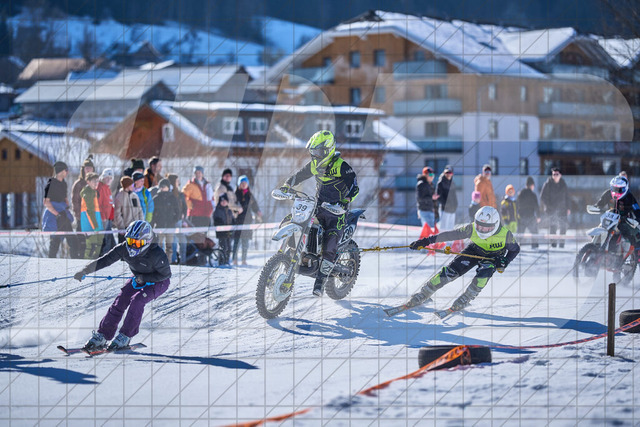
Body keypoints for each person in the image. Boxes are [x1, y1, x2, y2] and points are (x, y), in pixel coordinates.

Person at [279, 130, 359, 296]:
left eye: (318, 151)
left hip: (336, 210)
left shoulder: (341, 166)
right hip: (318, 205)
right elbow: (299, 175)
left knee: (331, 240)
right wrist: (287, 185)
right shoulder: (314, 165)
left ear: (328, 150)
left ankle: (320, 282)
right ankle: (290, 255)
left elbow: (354, 186)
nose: (315, 155)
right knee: (293, 219)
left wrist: (346, 200)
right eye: (313, 151)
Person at [74, 220, 171, 351]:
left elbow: (166, 274)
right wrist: (85, 270)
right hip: (138, 278)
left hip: (158, 281)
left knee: (137, 301)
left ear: (147, 241)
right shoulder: (124, 248)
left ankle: (125, 336)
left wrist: (144, 278)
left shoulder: (156, 254)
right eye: (131, 241)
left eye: (138, 243)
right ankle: (103, 335)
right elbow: (105, 260)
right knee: (120, 301)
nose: (133, 246)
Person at [407, 206, 520, 312]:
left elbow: (515, 250)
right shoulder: (471, 228)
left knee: (484, 273)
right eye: (479, 225)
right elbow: (450, 235)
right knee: (450, 272)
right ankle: (425, 293)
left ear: (495, 224)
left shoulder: (505, 235)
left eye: (486, 227)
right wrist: (426, 241)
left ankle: (467, 297)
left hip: (493, 257)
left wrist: (505, 260)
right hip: (474, 250)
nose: (481, 229)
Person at [592, 175, 640, 260]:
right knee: (597, 231)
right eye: (614, 188)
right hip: (609, 218)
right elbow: (599, 204)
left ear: (625, 188)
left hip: (624, 221)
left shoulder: (629, 197)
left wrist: (637, 219)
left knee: (634, 238)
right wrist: (596, 207)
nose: (616, 191)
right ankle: (592, 249)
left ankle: (633, 258)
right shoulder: (608, 193)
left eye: (619, 189)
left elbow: (637, 210)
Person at [42, 161, 78, 258]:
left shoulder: (64, 184)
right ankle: (50, 263)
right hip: (54, 215)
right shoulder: (51, 183)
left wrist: (67, 207)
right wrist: (57, 214)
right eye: (66, 170)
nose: (67, 172)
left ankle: (76, 261)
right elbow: (46, 202)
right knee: (55, 242)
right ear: (61, 171)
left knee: (72, 240)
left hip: (63, 213)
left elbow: (65, 198)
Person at [233, 175, 263, 265]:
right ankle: (234, 260)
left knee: (245, 241)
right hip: (238, 220)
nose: (243, 184)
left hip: (247, 220)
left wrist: (258, 211)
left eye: (245, 183)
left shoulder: (250, 195)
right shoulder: (235, 194)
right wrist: (236, 211)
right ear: (239, 184)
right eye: (242, 183)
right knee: (237, 242)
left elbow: (254, 206)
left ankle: (244, 260)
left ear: (247, 184)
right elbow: (232, 206)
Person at [540, 167, 571, 248]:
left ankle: (562, 244)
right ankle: (553, 244)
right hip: (551, 209)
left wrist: (568, 208)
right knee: (553, 226)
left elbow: (567, 196)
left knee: (563, 226)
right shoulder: (548, 184)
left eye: (556, 174)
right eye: (553, 174)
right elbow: (543, 196)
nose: (555, 176)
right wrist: (549, 206)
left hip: (562, 209)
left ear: (560, 175)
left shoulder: (563, 184)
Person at [152, 178, 181, 263]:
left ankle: (168, 262)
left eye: (164, 186)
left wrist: (174, 221)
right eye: (161, 186)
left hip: (170, 226)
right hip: (159, 226)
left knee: (169, 247)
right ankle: (159, 263)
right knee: (159, 246)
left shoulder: (173, 198)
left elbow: (178, 212)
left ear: (168, 187)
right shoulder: (156, 198)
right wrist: (154, 222)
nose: (162, 188)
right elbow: (153, 213)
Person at [71, 155, 95, 258]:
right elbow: (75, 201)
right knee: (81, 244)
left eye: (90, 168)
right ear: (83, 170)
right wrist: (79, 216)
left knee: (93, 245)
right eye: (86, 168)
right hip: (82, 218)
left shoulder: (95, 183)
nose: (88, 170)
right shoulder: (78, 184)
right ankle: (80, 262)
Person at [80, 173, 103, 259]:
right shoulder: (88, 193)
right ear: (88, 182)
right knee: (91, 247)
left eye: (97, 181)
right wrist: (95, 226)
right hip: (90, 225)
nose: (96, 183)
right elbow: (90, 212)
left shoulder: (94, 192)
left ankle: (95, 264)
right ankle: (87, 264)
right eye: (94, 181)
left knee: (98, 246)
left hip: (96, 224)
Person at [114, 176, 144, 244]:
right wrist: (122, 228)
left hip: (136, 228)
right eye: (132, 185)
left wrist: (141, 224)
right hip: (125, 229)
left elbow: (140, 211)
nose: (133, 186)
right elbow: (117, 215)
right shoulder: (119, 197)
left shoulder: (134, 196)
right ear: (127, 186)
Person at [168, 173, 188, 264]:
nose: (178, 183)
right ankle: (173, 261)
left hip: (179, 221)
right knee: (173, 241)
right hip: (170, 221)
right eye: (177, 181)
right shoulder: (168, 194)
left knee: (183, 241)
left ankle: (183, 261)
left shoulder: (180, 194)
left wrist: (184, 217)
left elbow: (185, 207)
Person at [517, 176, 540, 249]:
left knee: (520, 233)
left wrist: (517, 215)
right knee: (534, 233)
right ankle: (535, 246)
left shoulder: (520, 194)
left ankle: (517, 247)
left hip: (522, 217)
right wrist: (538, 216)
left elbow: (517, 205)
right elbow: (536, 206)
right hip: (530, 217)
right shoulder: (533, 195)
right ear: (532, 185)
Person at [97, 168, 116, 256]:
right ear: (103, 177)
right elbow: (98, 204)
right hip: (103, 220)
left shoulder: (107, 188)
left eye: (110, 178)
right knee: (106, 243)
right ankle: (104, 259)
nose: (108, 180)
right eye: (107, 177)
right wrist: (103, 218)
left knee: (111, 243)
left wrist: (112, 218)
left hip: (108, 220)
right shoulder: (100, 187)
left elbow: (110, 204)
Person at [213, 193, 234, 265]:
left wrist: (234, 224)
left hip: (229, 233)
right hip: (221, 233)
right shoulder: (217, 210)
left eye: (225, 201)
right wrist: (220, 224)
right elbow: (216, 220)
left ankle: (227, 261)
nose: (224, 202)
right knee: (223, 247)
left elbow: (232, 220)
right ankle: (221, 261)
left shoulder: (229, 211)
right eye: (222, 201)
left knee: (229, 247)